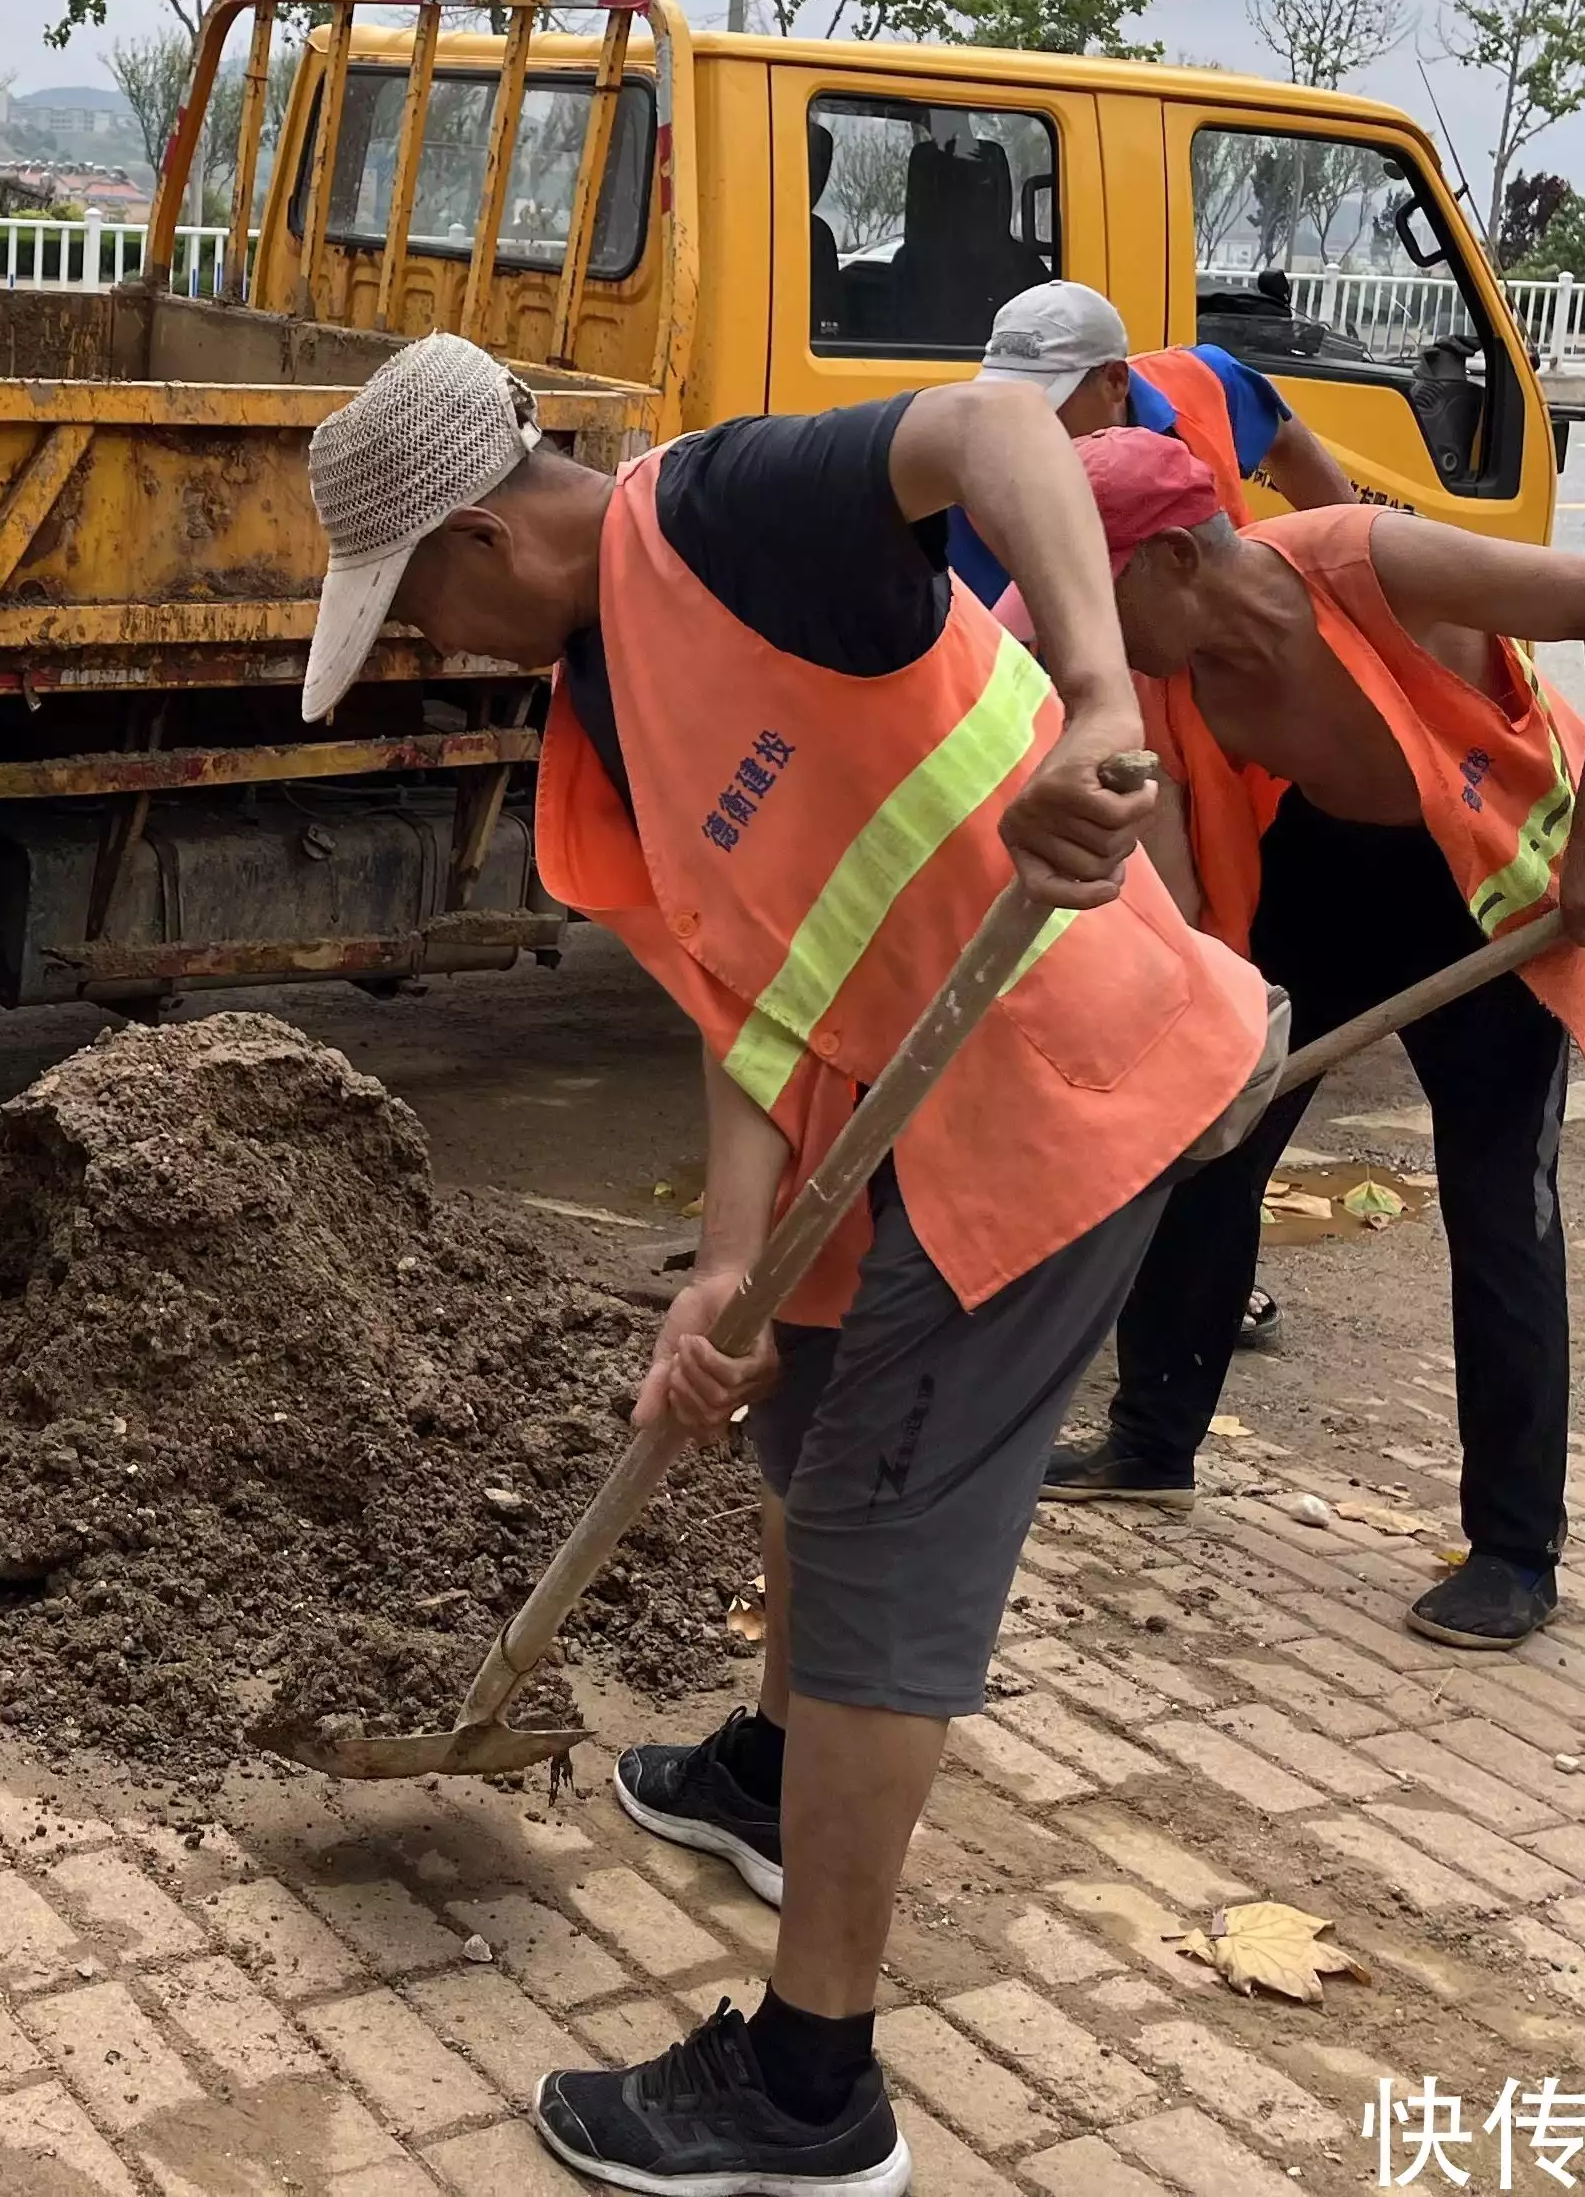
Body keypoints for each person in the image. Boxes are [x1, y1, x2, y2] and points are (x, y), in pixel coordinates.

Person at [300, 334, 1270, 2197]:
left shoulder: (726, 519)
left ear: (484, 539)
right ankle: (768, 1761)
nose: (433, 643)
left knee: (879, 1529)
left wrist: (1091, 695)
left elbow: (1001, 424)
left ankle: (812, 2083)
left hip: (1053, 1078)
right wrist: (722, 1272)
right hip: (886, 1105)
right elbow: (756, 991)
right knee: (792, 1407)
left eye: (416, 607)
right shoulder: (610, 689)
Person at [1036, 428, 1585, 1651]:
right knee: (1216, 1128)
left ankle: (1511, 1550)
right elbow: (1177, 881)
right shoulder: (1163, 678)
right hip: (1328, 870)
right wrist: (1205, 1011)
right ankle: (1154, 1437)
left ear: (1173, 559)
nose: (1080, 630)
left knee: (1495, 1194)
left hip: (1481, 876)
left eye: (1092, 590)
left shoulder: (1360, 562)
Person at [944, 279, 1351, 610]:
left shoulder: (1206, 383)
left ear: (1115, 381)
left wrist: (1353, 575)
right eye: (1007, 403)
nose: (1021, 428)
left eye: (1044, 406)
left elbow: (1290, 443)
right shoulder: (978, 474)